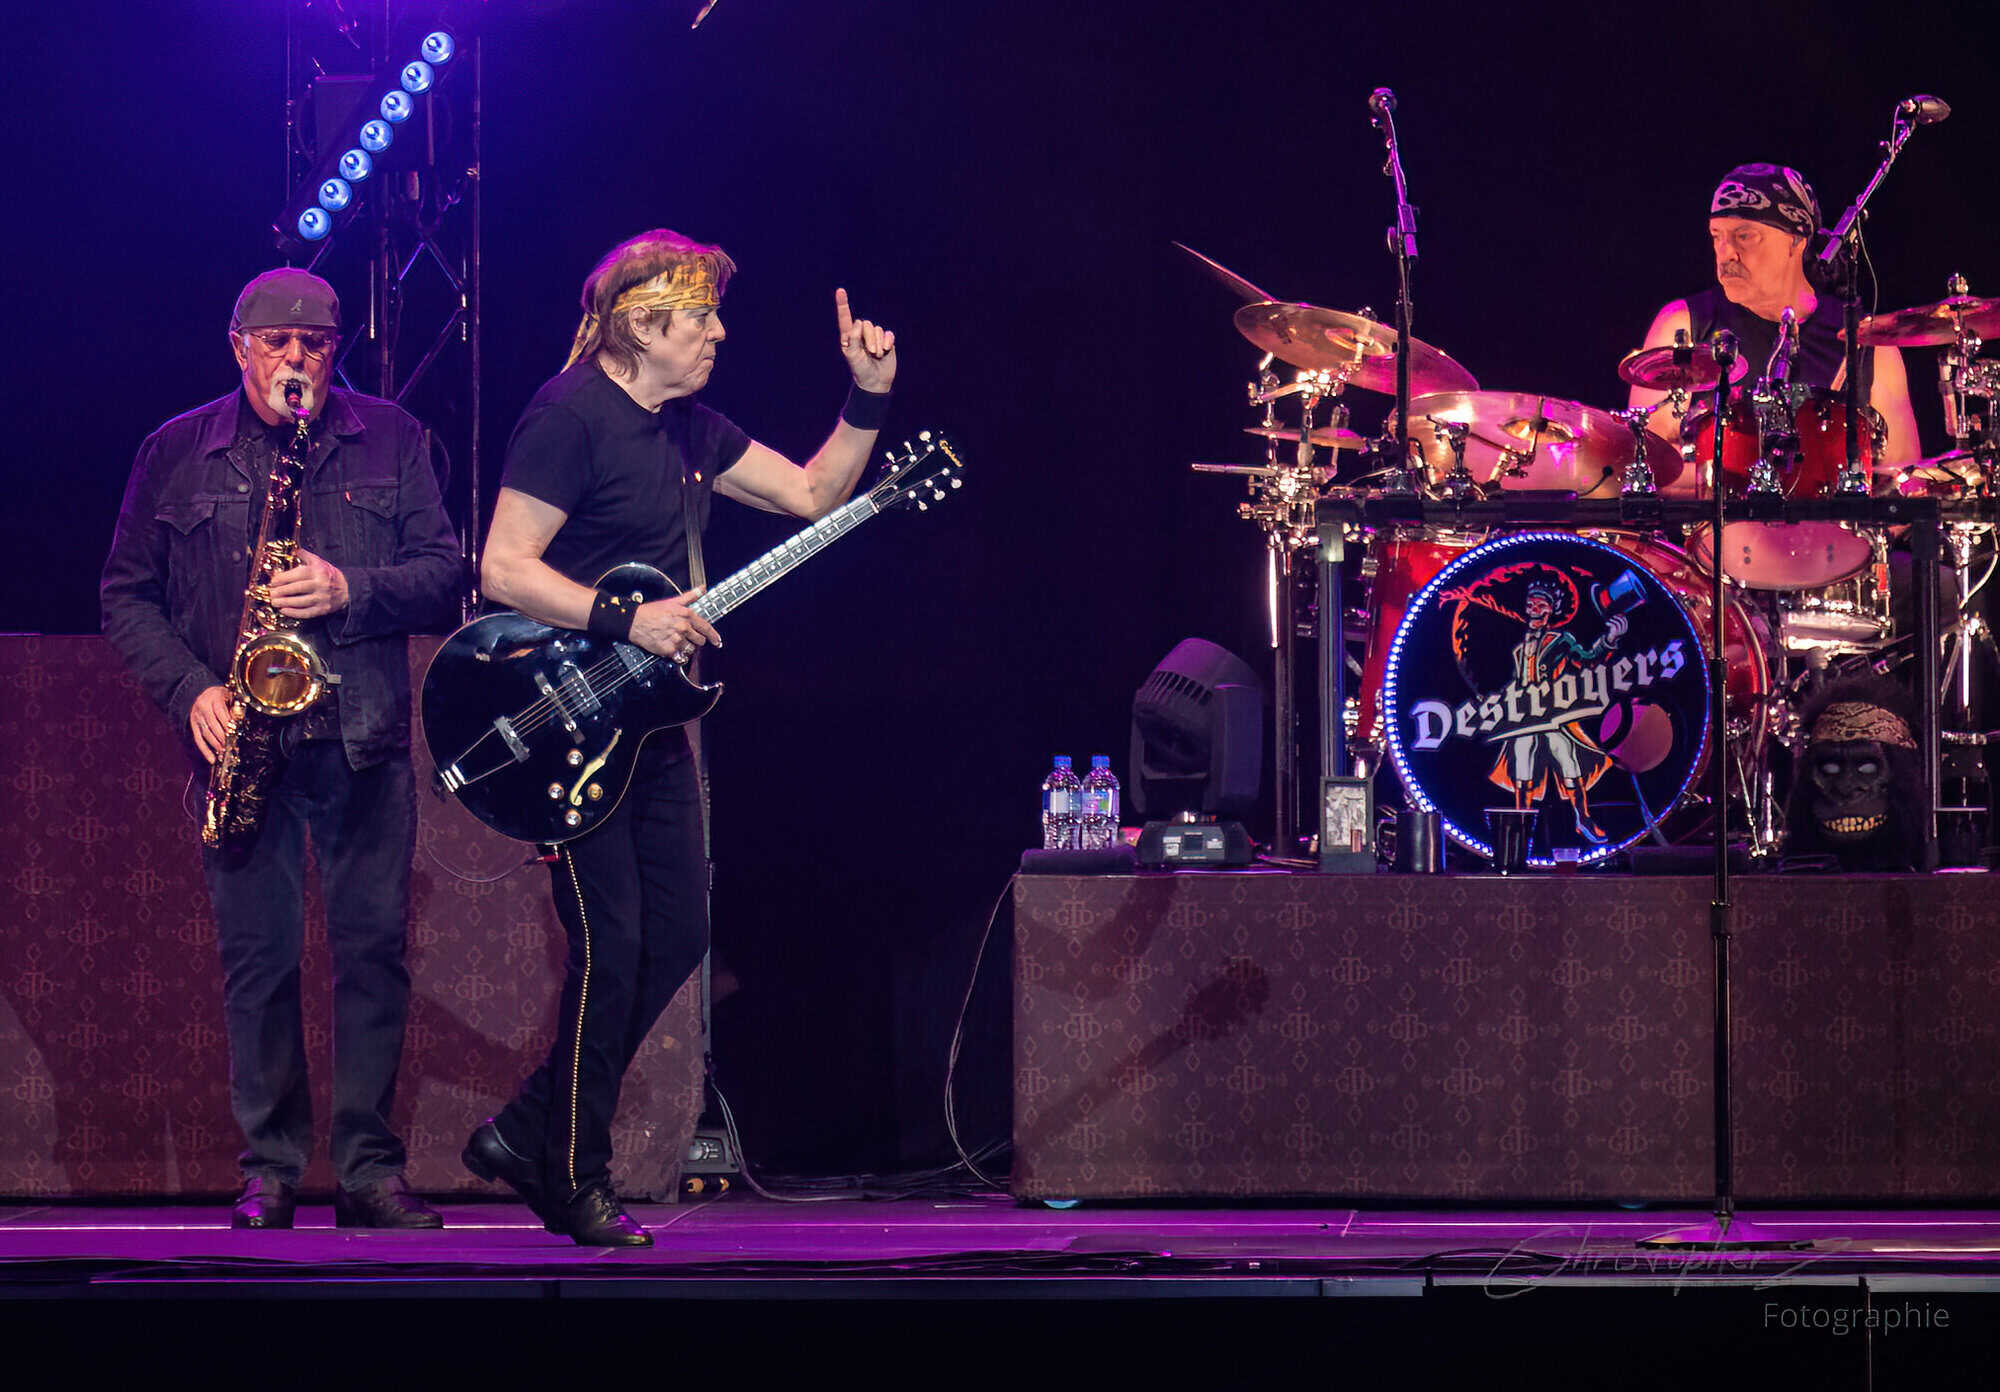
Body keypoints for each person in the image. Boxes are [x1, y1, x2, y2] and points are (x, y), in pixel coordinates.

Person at [461, 229, 897, 1246]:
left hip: (649, 724)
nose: (717, 333)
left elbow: (812, 495)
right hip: (567, 723)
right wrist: (629, 620)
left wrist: (868, 395)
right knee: (610, 946)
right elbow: (503, 567)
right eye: (699, 316)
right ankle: (575, 1174)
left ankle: (527, 1132)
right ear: (640, 325)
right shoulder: (567, 416)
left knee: (680, 937)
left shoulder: (691, 428)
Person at [101, 269, 463, 1229]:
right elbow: (125, 595)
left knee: (372, 958)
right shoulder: (175, 451)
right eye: (277, 343)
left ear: (335, 350)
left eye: (316, 344)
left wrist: (350, 589)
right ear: (239, 347)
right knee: (257, 964)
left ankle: (367, 1171)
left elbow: (444, 575)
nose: (297, 358)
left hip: (360, 737)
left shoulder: (393, 436)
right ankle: (269, 1168)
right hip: (241, 741)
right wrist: (192, 690)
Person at [1628, 162, 1920, 472]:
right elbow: (1647, 466)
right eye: (1717, 236)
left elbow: (1903, 476)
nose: (1726, 253)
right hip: (1716, 505)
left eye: (1744, 236)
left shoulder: (1867, 341)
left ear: (1797, 239)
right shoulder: (1683, 325)